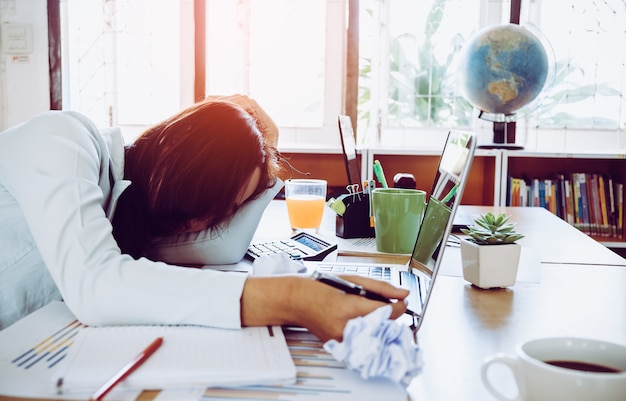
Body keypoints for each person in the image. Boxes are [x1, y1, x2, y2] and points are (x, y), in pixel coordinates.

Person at [0, 95, 409, 342]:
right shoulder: (62, 140)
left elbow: (224, 247)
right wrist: (295, 299)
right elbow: (96, 286)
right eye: (214, 203)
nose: (204, 224)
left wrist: (268, 156)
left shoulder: (139, 214)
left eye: (227, 210)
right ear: (177, 168)